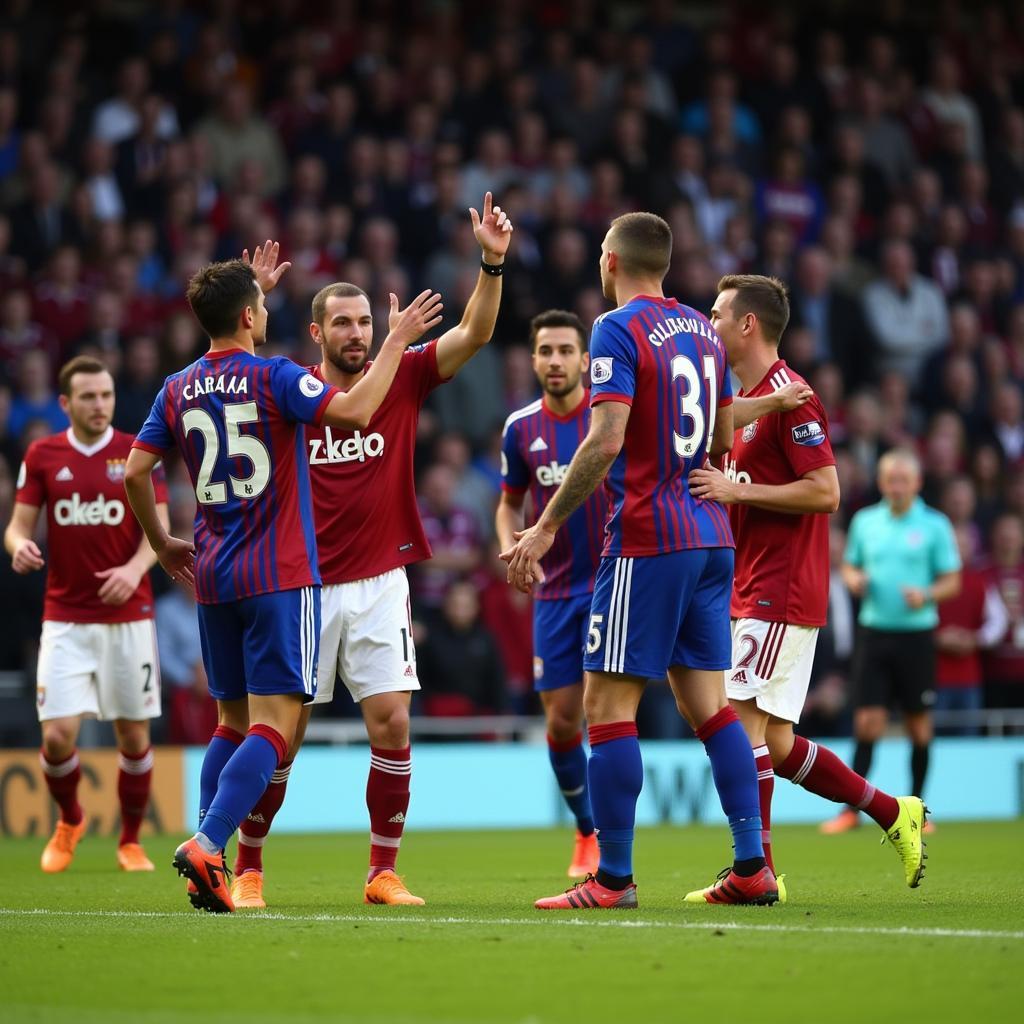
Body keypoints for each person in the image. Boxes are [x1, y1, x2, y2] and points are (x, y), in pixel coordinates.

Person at [124, 242, 442, 913]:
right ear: (248, 315)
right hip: (278, 574)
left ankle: (213, 854)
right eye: (262, 304)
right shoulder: (274, 378)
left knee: (231, 723)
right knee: (275, 727)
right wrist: (397, 343)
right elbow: (354, 413)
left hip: (210, 571)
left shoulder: (175, 386)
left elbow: (132, 471)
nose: (268, 310)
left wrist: (162, 543)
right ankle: (210, 844)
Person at [229, 194, 513, 910]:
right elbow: (229, 375)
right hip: (302, 583)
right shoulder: (287, 387)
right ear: (318, 330)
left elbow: (477, 330)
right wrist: (246, 302)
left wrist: (491, 261)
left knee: (391, 722)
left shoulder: (406, 374)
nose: (358, 334)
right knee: (281, 738)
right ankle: (250, 869)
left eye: (365, 322)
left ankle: (382, 872)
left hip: (381, 580)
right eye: (344, 324)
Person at [504, 211, 778, 910]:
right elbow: (719, 433)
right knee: (710, 708)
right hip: (711, 535)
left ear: (612, 260)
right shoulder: (702, 330)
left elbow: (602, 441)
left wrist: (541, 528)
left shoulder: (616, 328)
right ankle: (753, 864)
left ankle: (614, 878)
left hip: (647, 537)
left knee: (606, 707)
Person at [688, 274, 929, 894]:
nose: (707, 325)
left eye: (716, 315)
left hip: (780, 585)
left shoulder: (794, 396)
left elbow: (827, 491)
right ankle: (890, 811)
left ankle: (755, 872)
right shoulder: (745, 402)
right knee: (778, 742)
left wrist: (738, 490)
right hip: (751, 582)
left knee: (738, 726)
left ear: (748, 325)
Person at [4, 355, 168, 874]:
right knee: (56, 737)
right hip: (67, 619)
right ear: (65, 403)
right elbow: (16, 526)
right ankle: (70, 819)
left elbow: (158, 534)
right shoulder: (44, 454)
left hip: (129, 618)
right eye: (89, 397)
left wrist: (133, 570)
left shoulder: (137, 452)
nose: (100, 405)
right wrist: (17, 547)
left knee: (134, 738)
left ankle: (130, 840)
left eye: (106, 395)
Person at [495, 309, 608, 879]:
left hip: (615, 581)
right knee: (564, 722)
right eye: (546, 351)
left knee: (602, 709)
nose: (556, 361)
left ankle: (613, 841)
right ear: (534, 359)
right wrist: (511, 550)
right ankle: (586, 828)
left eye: (567, 350)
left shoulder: (611, 413)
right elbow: (508, 505)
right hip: (556, 591)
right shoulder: (520, 429)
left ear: (586, 358)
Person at [825, 449, 961, 834]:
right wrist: (852, 578)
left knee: (919, 726)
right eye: (890, 479)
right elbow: (850, 564)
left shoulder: (934, 524)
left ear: (917, 483)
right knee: (867, 723)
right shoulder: (866, 522)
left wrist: (928, 594)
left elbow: (953, 579)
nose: (897, 486)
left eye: (904, 480)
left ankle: (918, 811)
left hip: (916, 635)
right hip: (875, 632)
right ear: (881, 483)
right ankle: (851, 812)